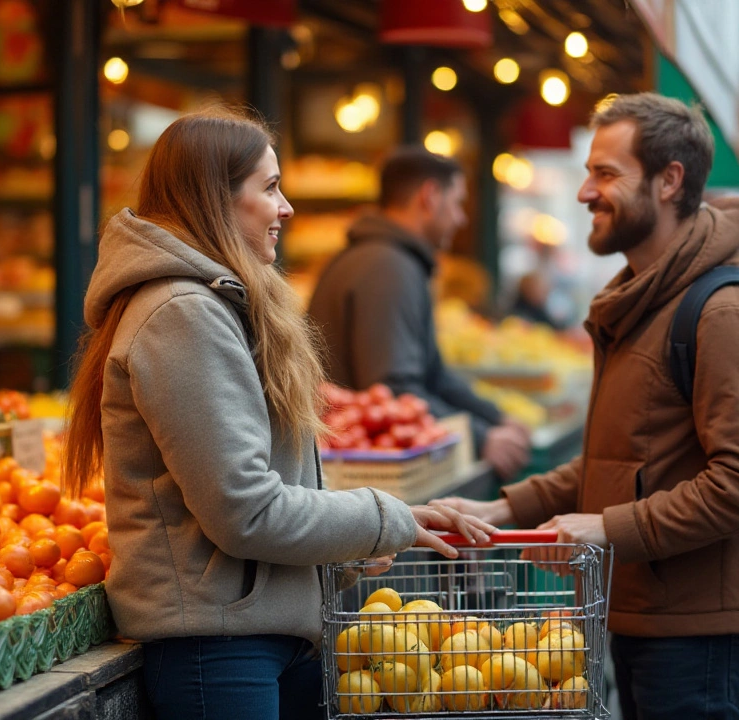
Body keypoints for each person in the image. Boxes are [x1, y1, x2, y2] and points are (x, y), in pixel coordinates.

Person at [61, 109, 495, 720]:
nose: (286, 207)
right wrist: (378, 516)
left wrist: (359, 538)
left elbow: (258, 494)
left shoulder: (216, 303)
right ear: (215, 199)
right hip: (220, 651)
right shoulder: (180, 314)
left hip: (261, 636)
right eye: (269, 188)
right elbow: (244, 509)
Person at [435, 93, 739, 719]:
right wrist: (503, 505)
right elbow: (615, 459)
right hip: (639, 611)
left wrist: (608, 528)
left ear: (669, 181)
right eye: (587, 172)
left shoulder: (725, 312)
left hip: (696, 630)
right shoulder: (638, 303)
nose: (584, 193)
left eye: (606, 173)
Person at [307, 147, 531, 480]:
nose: (461, 218)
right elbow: (393, 388)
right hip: (368, 478)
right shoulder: (387, 268)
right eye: (457, 203)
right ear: (430, 196)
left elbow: (434, 374)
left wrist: (495, 417)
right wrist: (481, 438)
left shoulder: (381, 260)